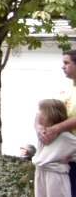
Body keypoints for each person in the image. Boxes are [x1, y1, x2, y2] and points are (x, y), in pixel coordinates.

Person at [39, 49, 76, 195]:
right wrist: (40, 128)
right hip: (64, 159)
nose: (63, 66)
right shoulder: (64, 90)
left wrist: (56, 128)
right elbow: (42, 111)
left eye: (66, 63)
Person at [33, 100, 76, 197]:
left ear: (51, 115)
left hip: (56, 177)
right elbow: (36, 118)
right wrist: (38, 127)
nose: (39, 115)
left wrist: (72, 157)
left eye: (42, 113)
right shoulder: (43, 135)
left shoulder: (65, 137)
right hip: (41, 174)